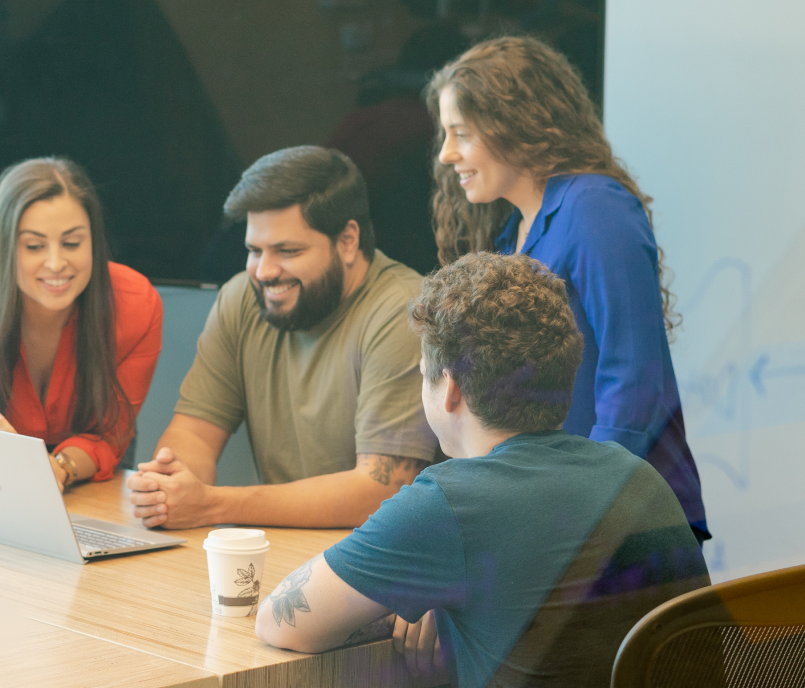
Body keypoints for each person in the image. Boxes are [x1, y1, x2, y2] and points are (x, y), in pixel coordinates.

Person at [256, 252, 710, 687]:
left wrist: (427, 594)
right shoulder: (638, 478)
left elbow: (281, 622)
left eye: (422, 374)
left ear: (449, 388)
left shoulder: (448, 504)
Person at [426, 36, 709, 543]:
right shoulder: (511, 233)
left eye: (461, 133)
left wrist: (583, 506)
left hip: (617, 522)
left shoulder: (594, 207)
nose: (446, 154)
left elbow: (634, 379)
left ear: (513, 123)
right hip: (558, 513)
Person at [128, 146, 438, 529]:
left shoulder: (403, 310)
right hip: (282, 549)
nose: (264, 271)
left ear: (347, 241)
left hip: (385, 560)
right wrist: (169, 486)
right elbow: (194, 432)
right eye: (254, 251)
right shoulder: (241, 296)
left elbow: (381, 491)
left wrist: (211, 505)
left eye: (287, 251)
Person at [0, 157, 162, 490]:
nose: (56, 263)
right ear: (4, 249)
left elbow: (109, 436)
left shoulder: (137, 306)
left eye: (72, 243)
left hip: (85, 471)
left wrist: (58, 469)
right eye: (34, 246)